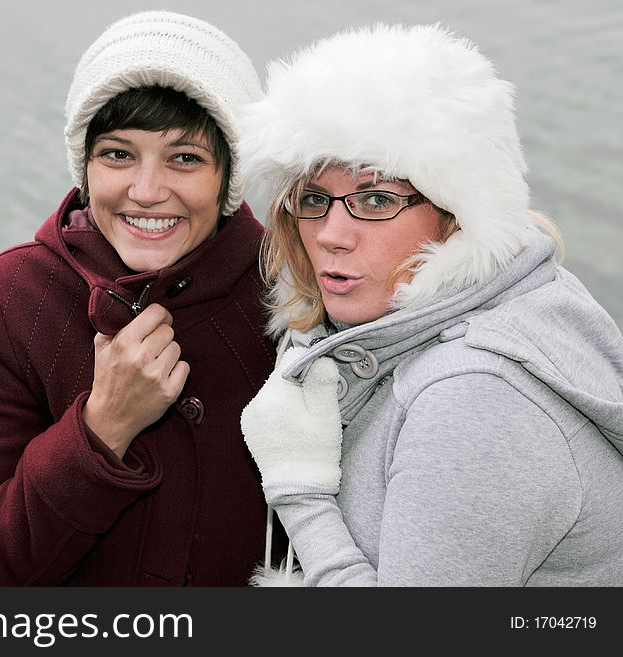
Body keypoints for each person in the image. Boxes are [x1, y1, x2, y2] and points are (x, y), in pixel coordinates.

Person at [238, 23, 623, 586]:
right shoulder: (527, 301)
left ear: (456, 216)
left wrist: (302, 493)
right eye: (315, 198)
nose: (329, 234)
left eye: (376, 198)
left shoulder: (473, 397)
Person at [0, 11, 281, 586]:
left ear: (229, 176)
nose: (145, 192)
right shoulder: (13, 296)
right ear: (85, 166)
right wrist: (103, 429)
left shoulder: (295, 297)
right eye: (118, 154)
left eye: (185, 158)